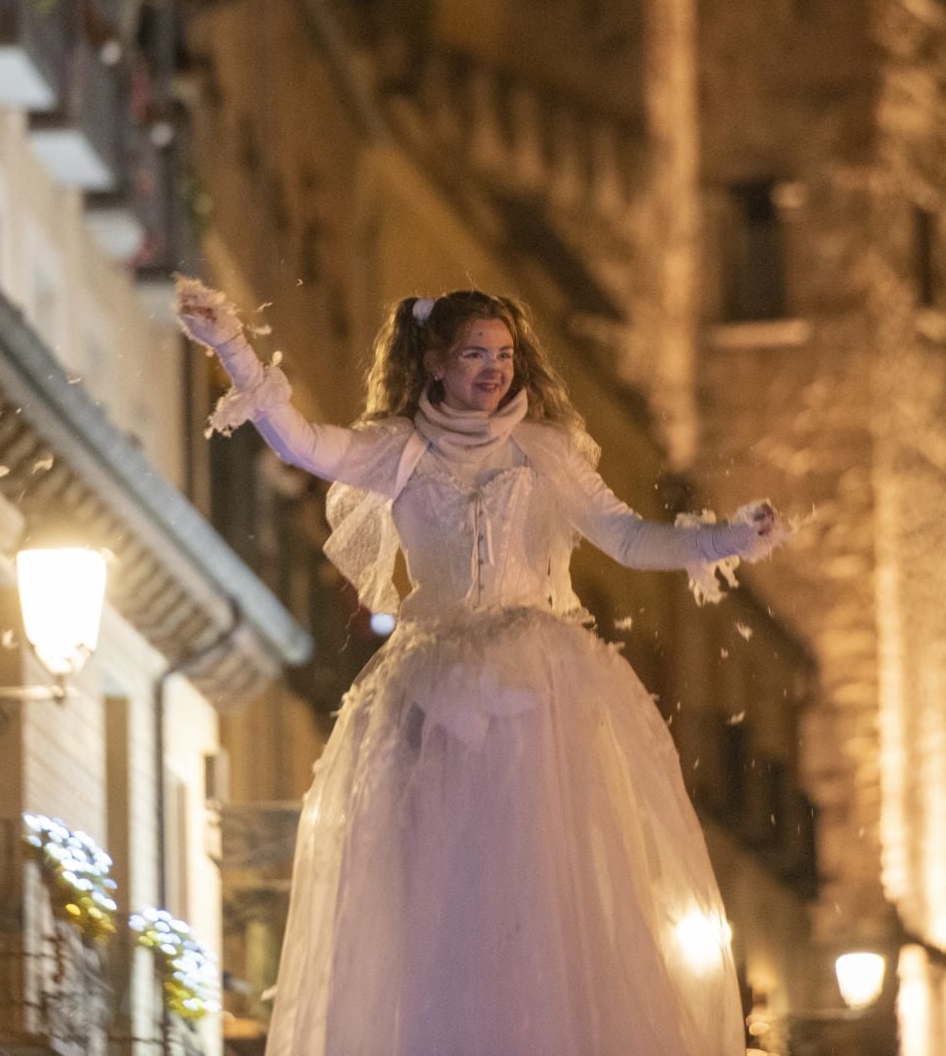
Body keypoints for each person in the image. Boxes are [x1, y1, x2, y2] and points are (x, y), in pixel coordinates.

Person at [177, 279, 788, 1056]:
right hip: (436, 695)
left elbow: (629, 538)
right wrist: (231, 346)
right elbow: (304, 444)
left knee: (544, 892)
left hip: (540, 693)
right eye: (475, 355)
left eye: (503, 355)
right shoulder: (400, 449)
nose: (494, 370)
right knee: (444, 900)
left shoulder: (546, 451)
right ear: (434, 362)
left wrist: (727, 538)